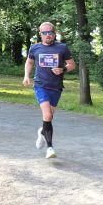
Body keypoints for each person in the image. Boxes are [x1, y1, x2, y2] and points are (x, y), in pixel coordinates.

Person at [23, 22, 75, 159]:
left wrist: (63, 69)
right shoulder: (35, 48)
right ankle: (50, 148)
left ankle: (42, 132)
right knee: (47, 115)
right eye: (44, 33)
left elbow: (72, 65)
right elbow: (29, 62)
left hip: (56, 87)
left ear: (54, 33)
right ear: (40, 34)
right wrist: (26, 76)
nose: (48, 35)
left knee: (49, 117)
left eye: (50, 32)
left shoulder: (62, 48)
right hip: (40, 85)